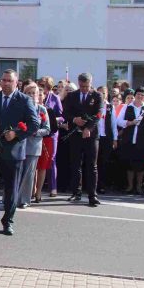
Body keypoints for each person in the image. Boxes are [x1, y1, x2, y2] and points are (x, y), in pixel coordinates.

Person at [0, 70, 39, 235]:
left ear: (17, 83)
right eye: (4, 80)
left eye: (10, 81)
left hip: (14, 151)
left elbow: (34, 124)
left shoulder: (24, 100)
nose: (6, 83)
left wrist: (16, 134)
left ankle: (8, 220)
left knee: (11, 189)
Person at [62, 73, 103, 207]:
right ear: (78, 84)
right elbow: (65, 112)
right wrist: (74, 119)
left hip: (91, 135)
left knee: (92, 165)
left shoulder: (97, 96)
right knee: (75, 164)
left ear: (91, 83)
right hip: (75, 134)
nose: (84, 88)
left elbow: (98, 114)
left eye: (87, 86)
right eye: (82, 86)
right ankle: (76, 192)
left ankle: (92, 195)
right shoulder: (72, 96)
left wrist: (89, 128)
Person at [116, 88, 144, 194]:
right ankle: (130, 186)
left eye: (142, 95)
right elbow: (119, 121)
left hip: (143, 141)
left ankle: (139, 187)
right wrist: (129, 123)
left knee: (141, 165)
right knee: (129, 164)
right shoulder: (127, 107)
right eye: (138, 94)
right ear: (135, 95)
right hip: (129, 140)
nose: (140, 96)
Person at [17, 82, 50, 208]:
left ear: (38, 95)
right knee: (18, 172)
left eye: (34, 93)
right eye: (28, 93)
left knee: (29, 174)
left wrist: (35, 132)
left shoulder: (42, 110)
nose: (31, 95)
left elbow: (47, 129)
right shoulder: (21, 107)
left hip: (34, 145)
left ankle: (24, 199)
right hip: (20, 143)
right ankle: (14, 197)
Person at [38, 76, 63, 197]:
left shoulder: (55, 98)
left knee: (51, 159)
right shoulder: (36, 96)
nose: (44, 88)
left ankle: (53, 187)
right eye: (41, 85)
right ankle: (36, 189)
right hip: (38, 132)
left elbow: (62, 116)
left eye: (45, 86)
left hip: (51, 132)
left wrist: (52, 119)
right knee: (38, 159)